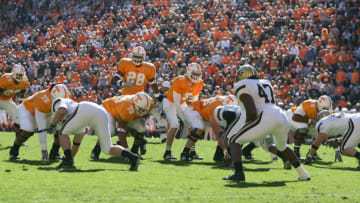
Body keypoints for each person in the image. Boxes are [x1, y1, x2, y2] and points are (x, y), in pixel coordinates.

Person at [222, 64, 310, 182]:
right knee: (282, 146)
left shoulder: (242, 85)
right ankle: (303, 173)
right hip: (280, 115)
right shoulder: (265, 82)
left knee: (234, 140)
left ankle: (239, 173)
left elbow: (251, 109)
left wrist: (246, 125)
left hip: (265, 116)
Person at [49, 97, 141, 171]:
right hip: (100, 112)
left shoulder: (58, 101)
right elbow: (76, 144)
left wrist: (52, 125)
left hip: (85, 109)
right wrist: (69, 159)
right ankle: (132, 157)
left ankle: (68, 160)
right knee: (107, 149)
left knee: (62, 132)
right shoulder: (77, 120)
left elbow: (61, 111)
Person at [115, 46, 160, 153]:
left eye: (140, 57)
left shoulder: (149, 67)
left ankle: (134, 144)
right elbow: (114, 79)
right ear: (132, 56)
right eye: (135, 56)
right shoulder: (125, 63)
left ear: (144, 57)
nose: (137, 59)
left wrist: (158, 96)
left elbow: (152, 83)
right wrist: (123, 83)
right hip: (125, 98)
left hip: (139, 99)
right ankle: (137, 142)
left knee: (135, 123)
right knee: (125, 122)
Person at [9, 83, 69, 161]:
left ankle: (54, 153)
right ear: (52, 96)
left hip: (46, 113)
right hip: (27, 110)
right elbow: (42, 129)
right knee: (28, 130)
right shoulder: (43, 100)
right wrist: (44, 149)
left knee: (61, 128)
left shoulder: (62, 95)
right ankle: (14, 151)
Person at [90, 92, 154, 160]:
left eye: (144, 109)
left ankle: (134, 151)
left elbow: (148, 114)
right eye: (141, 109)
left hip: (122, 111)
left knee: (141, 129)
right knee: (110, 131)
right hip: (108, 109)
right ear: (134, 104)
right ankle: (96, 149)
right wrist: (127, 152)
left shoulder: (150, 103)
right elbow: (121, 131)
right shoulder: (127, 107)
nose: (142, 111)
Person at [162, 63, 204, 160]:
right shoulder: (179, 80)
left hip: (181, 102)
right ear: (189, 72)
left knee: (193, 125)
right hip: (170, 101)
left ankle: (192, 151)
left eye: (198, 74)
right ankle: (167, 152)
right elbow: (176, 103)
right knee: (175, 125)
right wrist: (186, 117)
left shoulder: (199, 83)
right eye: (195, 73)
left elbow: (194, 101)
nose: (197, 76)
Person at [180, 95, 239, 161]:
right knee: (199, 129)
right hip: (193, 110)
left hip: (204, 114)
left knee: (225, 131)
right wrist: (227, 152)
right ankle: (185, 153)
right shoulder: (216, 108)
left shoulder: (224, 100)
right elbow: (218, 133)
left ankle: (218, 154)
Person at [291, 95, 333, 160]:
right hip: (294, 117)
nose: (326, 110)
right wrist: (310, 121)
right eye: (325, 109)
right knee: (303, 128)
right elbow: (295, 117)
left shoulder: (323, 108)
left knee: (320, 132)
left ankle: (312, 153)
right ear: (321, 106)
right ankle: (296, 152)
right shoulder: (308, 104)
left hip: (307, 121)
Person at [0, 64, 29, 141]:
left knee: (18, 118)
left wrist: (21, 105)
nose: (20, 77)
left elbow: (21, 94)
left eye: (21, 75)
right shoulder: (6, 78)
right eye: (18, 75)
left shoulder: (24, 81)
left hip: (7, 100)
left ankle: (18, 140)